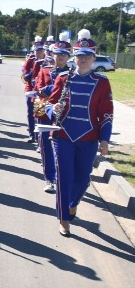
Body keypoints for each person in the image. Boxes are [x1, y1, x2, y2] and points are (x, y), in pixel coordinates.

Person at [46, 29, 113, 237]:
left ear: (94, 58)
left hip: (89, 137)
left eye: (87, 56)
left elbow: (107, 113)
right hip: (63, 135)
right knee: (64, 178)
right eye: (79, 56)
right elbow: (46, 104)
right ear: (74, 57)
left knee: (83, 179)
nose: (83, 59)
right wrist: (52, 109)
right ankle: (63, 218)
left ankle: (73, 203)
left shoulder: (102, 82)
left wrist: (104, 140)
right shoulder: (63, 78)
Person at [31, 33, 72, 194]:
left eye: (63, 55)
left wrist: (50, 90)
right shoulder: (45, 70)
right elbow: (38, 91)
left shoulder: (73, 74)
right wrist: (53, 87)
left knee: (63, 150)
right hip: (43, 113)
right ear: (52, 54)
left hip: (64, 116)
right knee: (46, 148)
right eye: (57, 54)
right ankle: (49, 179)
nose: (60, 57)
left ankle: (62, 178)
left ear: (68, 56)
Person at [21, 37, 45, 143]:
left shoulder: (47, 61)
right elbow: (25, 77)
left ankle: (39, 138)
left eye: (40, 50)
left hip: (41, 91)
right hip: (30, 89)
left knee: (39, 113)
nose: (38, 52)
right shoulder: (30, 60)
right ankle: (32, 135)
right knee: (30, 112)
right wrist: (32, 72)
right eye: (36, 50)